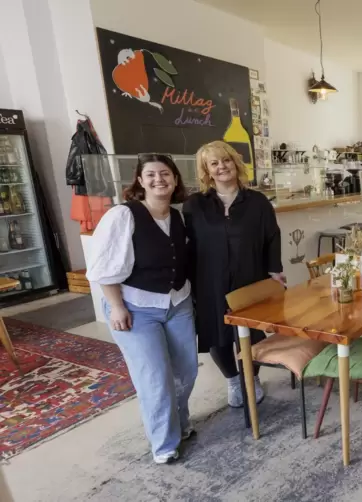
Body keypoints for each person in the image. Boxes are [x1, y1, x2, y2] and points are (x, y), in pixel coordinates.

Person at [87, 154, 198, 465]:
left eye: (165, 174)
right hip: (135, 307)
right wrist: (117, 307)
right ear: (139, 180)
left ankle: (180, 423)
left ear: (176, 180)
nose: (159, 179)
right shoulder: (123, 216)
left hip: (178, 302)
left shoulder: (178, 217)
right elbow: (103, 268)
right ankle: (164, 444)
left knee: (186, 370)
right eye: (150, 174)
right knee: (155, 377)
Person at [183, 141, 284, 409]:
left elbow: (272, 237)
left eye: (225, 160)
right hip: (209, 279)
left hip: (251, 275)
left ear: (235, 163)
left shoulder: (257, 202)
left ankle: (252, 377)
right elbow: (188, 243)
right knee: (217, 332)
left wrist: (275, 270)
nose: (221, 167)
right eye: (214, 163)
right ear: (206, 170)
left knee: (253, 332)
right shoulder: (195, 205)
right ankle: (232, 379)